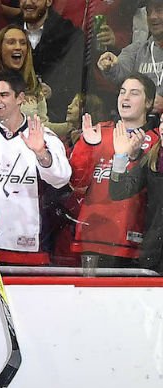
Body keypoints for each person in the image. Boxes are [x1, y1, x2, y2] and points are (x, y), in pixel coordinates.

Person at [0, 70, 71, 265]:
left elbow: (61, 177)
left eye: (4, 95)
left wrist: (41, 153)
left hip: (28, 249)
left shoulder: (43, 136)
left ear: (20, 98)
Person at [70, 74, 159, 269]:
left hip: (134, 243)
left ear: (149, 102)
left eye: (134, 93)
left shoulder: (155, 141)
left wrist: (135, 156)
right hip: (92, 237)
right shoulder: (97, 132)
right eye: (122, 92)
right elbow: (76, 183)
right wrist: (87, 145)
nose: (125, 98)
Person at [14, 0, 85, 122]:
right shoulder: (8, 31)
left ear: (49, 1)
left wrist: (53, 91)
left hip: (55, 115)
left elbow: (77, 80)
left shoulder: (70, 35)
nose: (27, 2)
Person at [110, 118, 163, 273]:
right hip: (154, 255)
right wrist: (120, 156)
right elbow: (118, 191)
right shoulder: (153, 158)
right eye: (161, 122)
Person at [98, 0, 163, 113]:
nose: (152, 17)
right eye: (148, 12)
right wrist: (110, 65)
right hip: (143, 126)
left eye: (159, 10)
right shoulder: (138, 50)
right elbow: (120, 70)